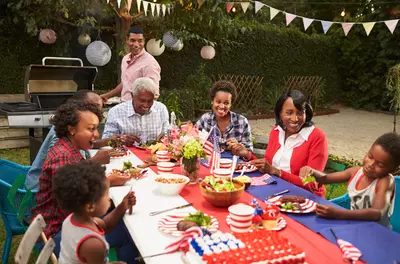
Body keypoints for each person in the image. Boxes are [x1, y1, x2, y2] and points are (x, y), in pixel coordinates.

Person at [31, 101, 132, 256]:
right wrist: (108, 182)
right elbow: (79, 202)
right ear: (71, 130)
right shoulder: (63, 157)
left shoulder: (69, 149)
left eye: (96, 128)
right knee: (129, 233)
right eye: (91, 129)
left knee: (120, 217)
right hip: (58, 233)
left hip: (62, 224)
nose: (97, 134)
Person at [25, 90, 129, 190]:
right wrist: (105, 178)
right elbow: (68, 186)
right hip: (38, 191)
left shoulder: (71, 140)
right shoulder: (61, 153)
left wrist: (107, 141)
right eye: (91, 128)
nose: (97, 134)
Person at [300, 133, 399, 228]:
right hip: (355, 225)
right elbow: (326, 179)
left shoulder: (385, 182)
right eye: (370, 156)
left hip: (377, 232)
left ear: (393, 169)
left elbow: (377, 213)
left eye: (380, 165)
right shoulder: (355, 172)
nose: (371, 164)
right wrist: (313, 172)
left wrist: (340, 214)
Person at [54, 160, 137, 263]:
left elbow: (105, 224)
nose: (109, 198)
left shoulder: (73, 219)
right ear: (90, 206)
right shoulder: (93, 245)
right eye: (107, 194)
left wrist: (122, 206)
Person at [250, 90, 328, 197]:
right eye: (289, 113)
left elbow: (312, 183)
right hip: (275, 189)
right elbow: (268, 166)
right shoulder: (277, 131)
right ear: (280, 113)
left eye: (300, 113)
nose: (295, 119)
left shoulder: (317, 137)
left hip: (305, 198)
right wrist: (248, 155)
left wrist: (278, 173)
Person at [196, 80, 256, 160]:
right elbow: (192, 141)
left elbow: (249, 154)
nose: (222, 106)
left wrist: (240, 150)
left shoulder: (242, 121)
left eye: (226, 103)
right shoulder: (205, 119)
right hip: (209, 165)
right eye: (218, 101)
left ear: (231, 104)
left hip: (235, 167)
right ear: (212, 101)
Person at [100, 26, 161, 103]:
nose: (136, 44)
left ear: (144, 41)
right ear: (127, 40)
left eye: (140, 41)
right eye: (132, 40)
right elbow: (125, 83)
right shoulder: (125, 59)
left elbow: (154, 94)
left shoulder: (150, 63)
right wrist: (106, 96)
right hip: (123, 106)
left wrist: (138, 109)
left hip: (138, 111)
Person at [102, 77, 169, 144]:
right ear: (132, 96)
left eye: (150, 101)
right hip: (126, 153)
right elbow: (105, 140)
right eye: (142, 101)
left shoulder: (161, 109)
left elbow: (167, 134)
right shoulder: (115, 112)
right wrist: (121, 139)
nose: (146, 105)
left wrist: (165, 138)